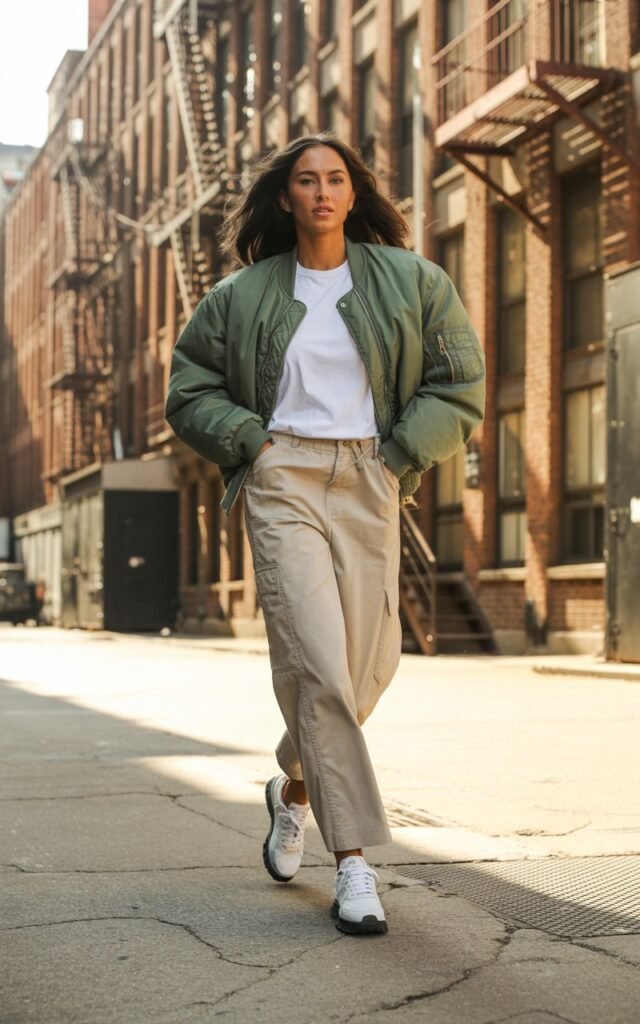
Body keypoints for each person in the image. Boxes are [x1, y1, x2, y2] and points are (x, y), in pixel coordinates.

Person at [165, 133, 485, 935]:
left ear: (353, 193)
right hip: (284, 477)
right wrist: (251, 441)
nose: (320, 191)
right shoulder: (240, 295)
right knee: (317, 659)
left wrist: (401, 453)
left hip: (372, 475)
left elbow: (460, 382)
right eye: (305, 180)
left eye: (334, 179)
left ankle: (296, 789)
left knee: (367, 669)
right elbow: (188, 387)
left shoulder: (413, 280)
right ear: (285, 197)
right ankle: (354, 864)